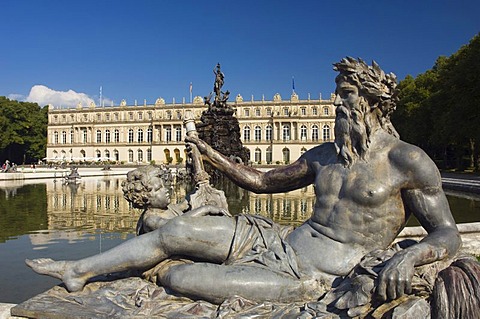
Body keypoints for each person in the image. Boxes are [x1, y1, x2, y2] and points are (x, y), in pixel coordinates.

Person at [26, 57, 460, 304]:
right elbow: (262, 182)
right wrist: (210, 154)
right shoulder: (325, 155)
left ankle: (161, 272)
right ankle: (76, 269)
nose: (335, 102)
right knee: (180, 227)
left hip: (317, 274)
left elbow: (447, 232)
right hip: (275, 240)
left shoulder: (408, 161)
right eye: (336, 93)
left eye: (344, 95)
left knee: (181, 281)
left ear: (369, 99)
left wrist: (412, 256)